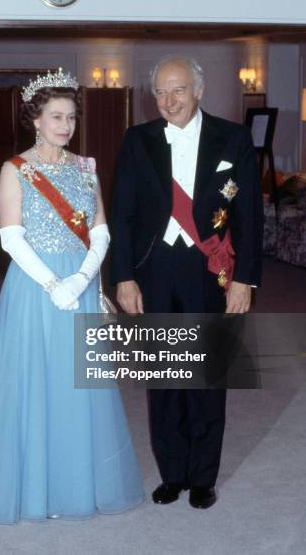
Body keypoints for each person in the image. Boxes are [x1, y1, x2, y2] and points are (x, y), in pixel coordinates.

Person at [0, 69, 144, 523]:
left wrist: (81, 280)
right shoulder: (15, 169)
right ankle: (35, 488)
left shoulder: (85, 169)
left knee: (77, 385)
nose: (65, 126)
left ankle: (76, 484)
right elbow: (11, 239)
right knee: (35, 380)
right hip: (34, 286)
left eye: (71, 117)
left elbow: (101, 231)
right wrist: (53, 284)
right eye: (56, 116)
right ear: (36, 120)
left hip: (77, 286)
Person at [110, 56, 262, 509]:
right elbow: (124, 213)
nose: (168, 100)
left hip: (209, 271)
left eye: (177, 90)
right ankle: (172, 472)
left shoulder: (233, 139)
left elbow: (249, 216)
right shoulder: (138, 140)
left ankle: (203, 477)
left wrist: (244, 281)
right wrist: (123, 277)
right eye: (159, 91)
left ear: (198, 91)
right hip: (154, 271)